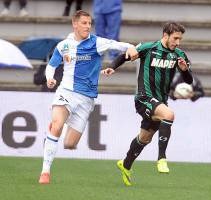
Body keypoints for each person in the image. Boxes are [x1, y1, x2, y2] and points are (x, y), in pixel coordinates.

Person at [38, 10, 138, 185]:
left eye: (89, 23)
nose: (87, 26)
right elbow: (51, 66)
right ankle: (45, 172)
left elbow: (117, 44)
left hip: (86, 99)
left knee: (69, 144)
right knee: (57, 126)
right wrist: (49, 78)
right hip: (66, 91)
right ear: (74, 24)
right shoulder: (64, 46)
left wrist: (130, 47)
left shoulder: (96, 42)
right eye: (84, 23)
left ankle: (51, 135)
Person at [102, 22, 193, 186]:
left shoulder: (179, 55)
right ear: (165, 35)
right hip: (144, 98)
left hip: (160, 101)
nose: (178, 42)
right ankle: (162, 159)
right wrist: (112, 67)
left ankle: (125, 164)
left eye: (180, 39)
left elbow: (189, 81)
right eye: (175, 38)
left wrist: (185, 70)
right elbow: (126, 55)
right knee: (169, 115)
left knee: (145, 138)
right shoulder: (148, 48)